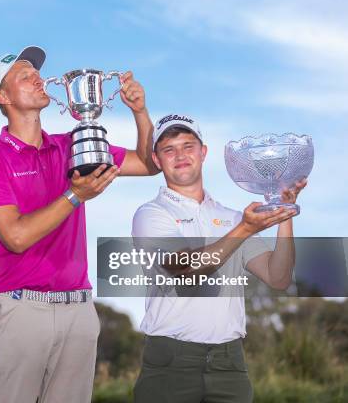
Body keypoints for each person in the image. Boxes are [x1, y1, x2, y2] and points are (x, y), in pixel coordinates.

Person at [0, 45, 159, 403]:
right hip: (20, 310)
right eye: (25, 76)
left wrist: (140, 112)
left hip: (79, 311)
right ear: (2, 96)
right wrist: (75, 196)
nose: (38, 79)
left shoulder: (71, 143)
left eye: (37, 74)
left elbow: (149, 164)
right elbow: (16, 236)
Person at [131, 114, 307, 402]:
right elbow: (187, 270)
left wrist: (285, 213)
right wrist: (245, 229)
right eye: (169, 149)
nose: (180, 156)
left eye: (188, 146)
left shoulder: (231, 218)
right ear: (157, 159)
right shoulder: (151, 214)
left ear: (203, 153)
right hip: (171, 363)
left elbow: (278, 278)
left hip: (230, 364)